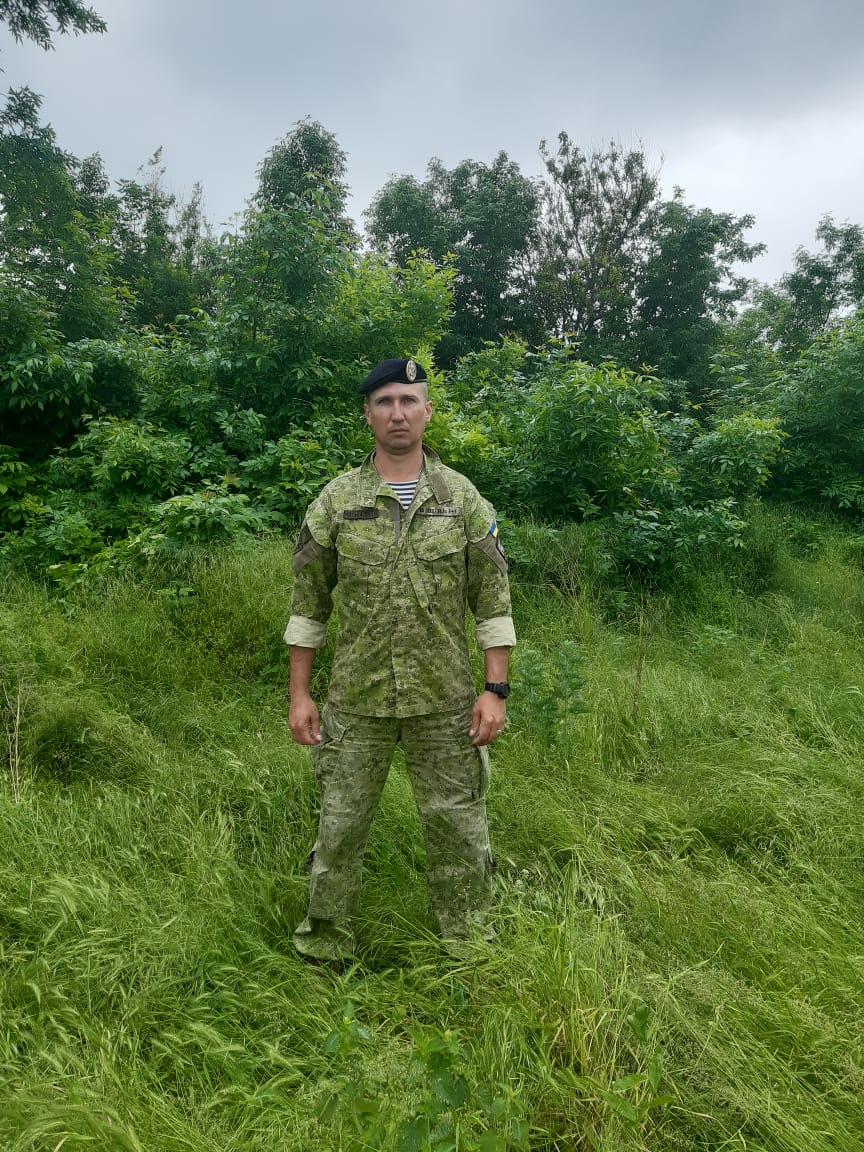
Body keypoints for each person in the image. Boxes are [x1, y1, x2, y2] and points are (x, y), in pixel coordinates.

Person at [284, 357, 516, 961]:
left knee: (458, 827)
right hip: (356, 701)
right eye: (384, 401)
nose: (397, 413)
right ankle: (324, 946)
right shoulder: (337, 501)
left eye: (409, 401)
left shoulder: (461, 500)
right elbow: (308, 608)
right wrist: (300, 695)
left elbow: (493, 603)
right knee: (340, 827)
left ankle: (470, 946)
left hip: (444, 701)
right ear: (368, 414)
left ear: (427, 412)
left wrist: (495, 691)